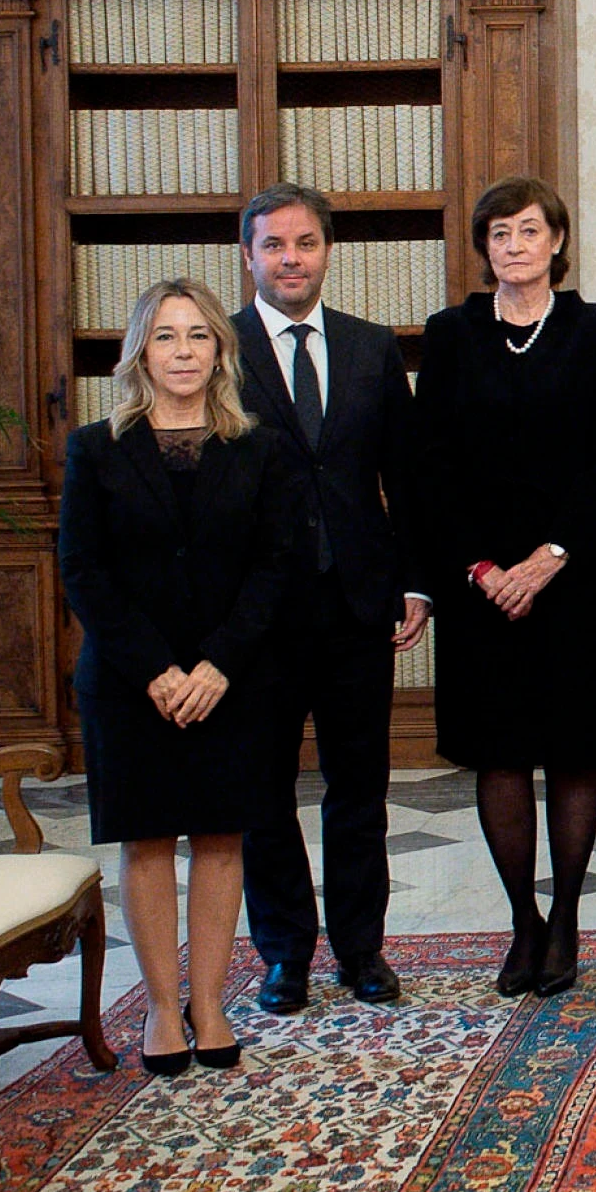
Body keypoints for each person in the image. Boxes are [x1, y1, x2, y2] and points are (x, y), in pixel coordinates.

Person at [57, 278, 306, 1075]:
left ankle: (210, 1002)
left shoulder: (260, 447)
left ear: (220, 352)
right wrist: (159, 670)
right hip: (133, 684)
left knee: (224, 838)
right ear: (141, 352)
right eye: (166, 336)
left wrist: (215, 666)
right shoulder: (95, 447)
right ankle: (163, 1010)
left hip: (235, 679)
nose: (184, 352)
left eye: (199, 336)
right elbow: (83, 572)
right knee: (149, 841)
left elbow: (275, 569)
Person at [417, 176, 596, 999]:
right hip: (482, 584)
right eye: (499, 233)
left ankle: (569, 917)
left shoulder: (593, 329)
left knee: (573, 747)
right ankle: (523, 922)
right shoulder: (450, 335)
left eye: (529, 231)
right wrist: (482, 568)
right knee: (499, 750)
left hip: (574, 573)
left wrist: (548, 556)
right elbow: (430, 466)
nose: (514, 246)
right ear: (484, 249)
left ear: (556, 242)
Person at [229, 183, 425, 1015]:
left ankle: (361, 950)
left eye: (304, 243)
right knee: (262, 793)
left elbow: (406, 476)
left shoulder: (372, 347)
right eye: (273, 246)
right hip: (257, 613)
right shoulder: (218, 348)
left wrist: (414, 580)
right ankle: (284, 957)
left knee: (359, 788)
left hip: (356, 601)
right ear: (249, 257)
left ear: (327, 251)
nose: (290, 260)